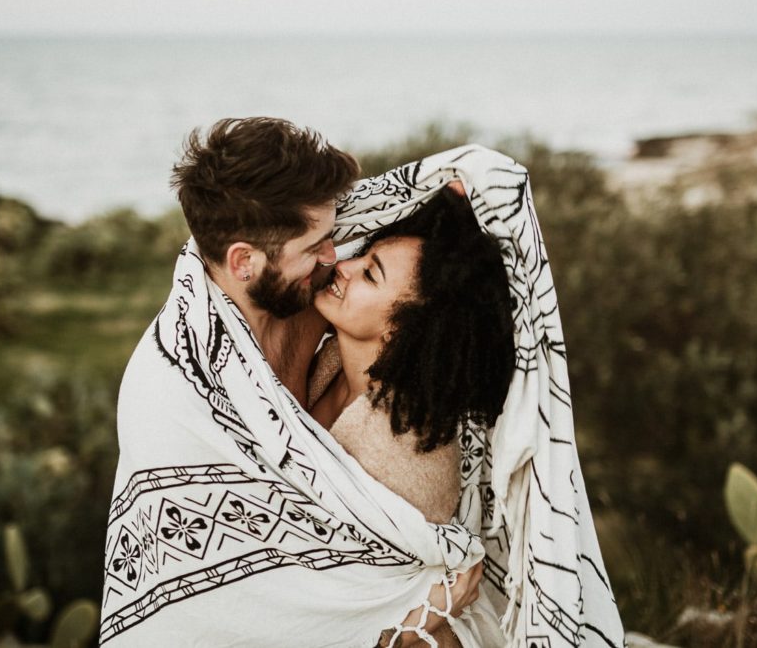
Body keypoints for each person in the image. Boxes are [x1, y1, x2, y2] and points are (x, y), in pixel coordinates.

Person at [101, 118, 487, 647]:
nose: (335, 256)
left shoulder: (305, 287)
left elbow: (421, 285)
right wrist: (420, 614)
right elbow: (232, 600)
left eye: (333, 236)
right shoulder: (173, 392)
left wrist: (462, 193)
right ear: (243, 261)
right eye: (316, 246)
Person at [302, 190, 517, 646]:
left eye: (369, 274)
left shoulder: (408, 446)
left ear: (403, 327)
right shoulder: (329, 363)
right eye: (364, 257)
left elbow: (362, 603)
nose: (344, 266)